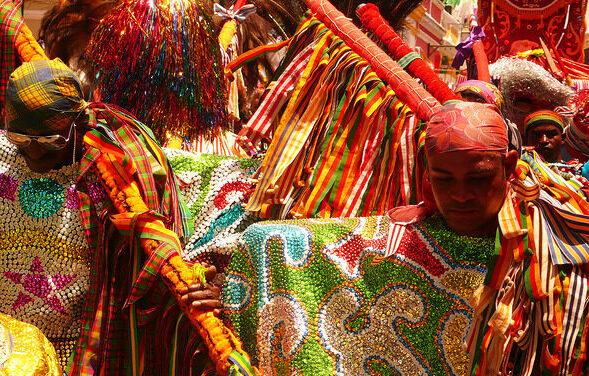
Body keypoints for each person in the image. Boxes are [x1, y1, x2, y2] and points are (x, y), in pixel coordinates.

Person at [223, 102, 518, 375]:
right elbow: (277, 241)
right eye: (443, 179)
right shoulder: (399, 239)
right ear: (427, 171)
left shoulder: (540, 252)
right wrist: (234, 288)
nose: (460, 195)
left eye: (478, 178)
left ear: (509, 166)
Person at [1, 58, 222, 375]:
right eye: (21, 139)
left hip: (75, 357)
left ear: (79, 122)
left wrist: (190, 287)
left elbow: (150, 266)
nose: (34, 153)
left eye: (51, 142)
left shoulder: (115, 177)